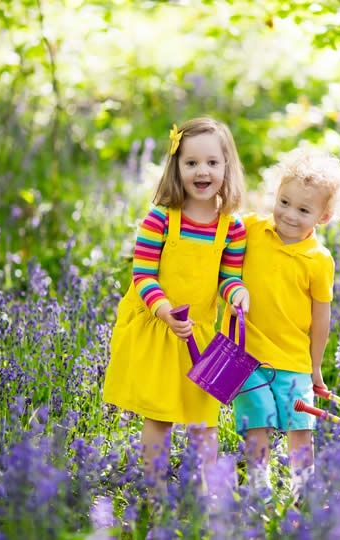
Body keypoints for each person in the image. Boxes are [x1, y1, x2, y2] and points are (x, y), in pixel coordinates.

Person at [103, 117, 250, 489]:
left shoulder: (231, 227)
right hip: (162, 326)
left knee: (205, 420)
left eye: (212, 163)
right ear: (177, 167)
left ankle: (205, 494)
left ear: (226, 166)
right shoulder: (161, 219)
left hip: (200, 336)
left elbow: (228, 277)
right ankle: (152, 490)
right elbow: (143, 275)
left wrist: (237, 295)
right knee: (160, 416)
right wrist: (165, 311)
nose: (202, 171)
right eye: (191, 163)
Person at [232, 146, 340, 498]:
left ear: (323, 217)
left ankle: (303, 489)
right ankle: (259, 486)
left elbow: (321, 316)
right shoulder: (252, 229)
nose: (288, 214)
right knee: (257, 419)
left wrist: (315, 367)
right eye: (284, 202)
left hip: (293, 358)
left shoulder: (318, 259)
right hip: (246, 354)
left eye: (303, 210)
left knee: (301, 424)